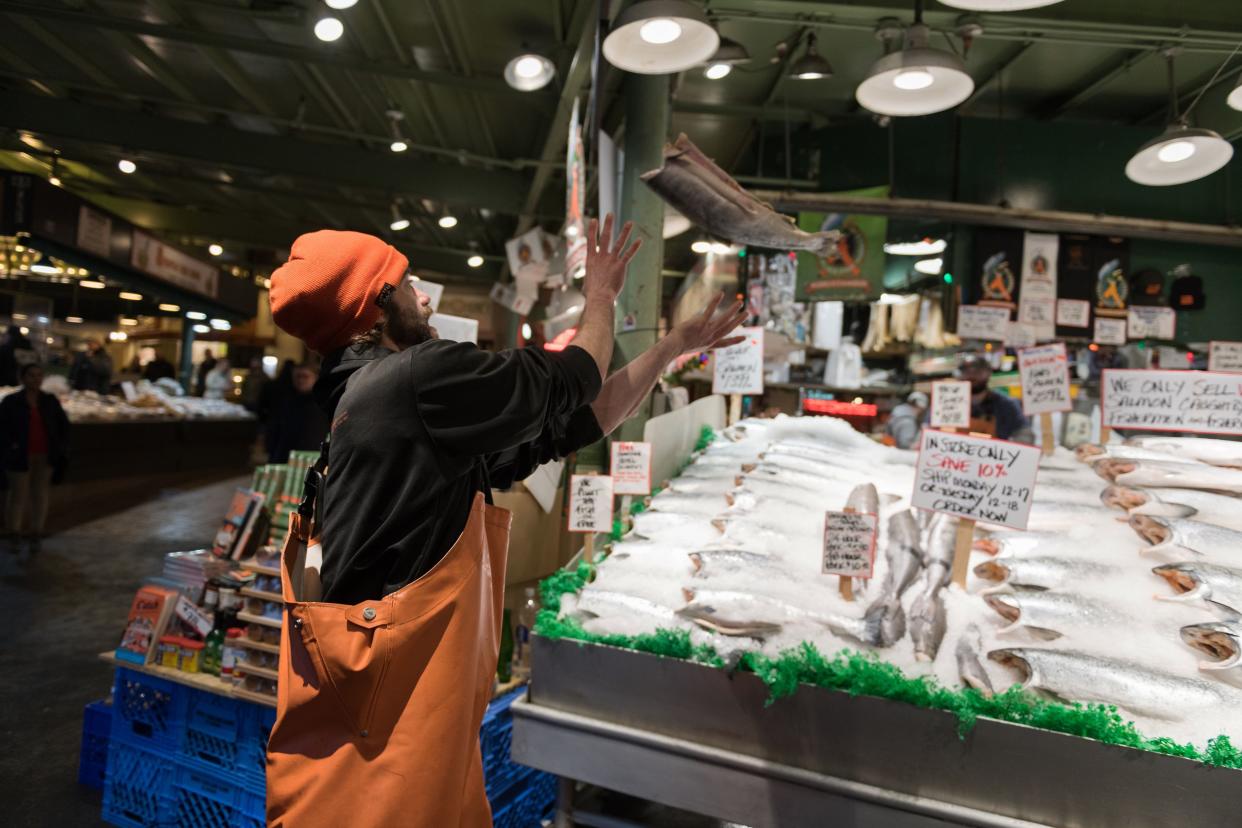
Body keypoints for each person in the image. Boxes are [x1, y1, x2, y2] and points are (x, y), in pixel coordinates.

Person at [263, 217, 746, 827]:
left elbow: (572, 423)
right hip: (393, 731)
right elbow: (573, 377)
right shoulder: (413, 380)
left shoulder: (369, 406)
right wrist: (600, 297)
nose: (425, 298)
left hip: (393, 718)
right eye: (409, 284)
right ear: (375, 306)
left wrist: (672, 346)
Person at [0, 363, 69, 555]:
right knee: (17, 496)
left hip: (45, 454)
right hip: (19, 455)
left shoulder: (49, 401)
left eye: (39, 375)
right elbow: (2, 429)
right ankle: (14, 532)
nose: (36, 379)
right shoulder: (11, 401)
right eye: (31, 375)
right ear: (22, 378)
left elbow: (63, 425)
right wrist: (10, 447)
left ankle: (36, 532)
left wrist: (60, 447)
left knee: (40, 494)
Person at [958, 355, 1033, 443]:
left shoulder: (1007, 405)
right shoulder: (949, 405)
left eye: (977, 372)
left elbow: (1024, 434)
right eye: (967, 372)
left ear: (989, 373)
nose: (972, 376)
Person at [266, 363, 328, 462]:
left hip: (312, 457)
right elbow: (275, 429)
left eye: (305, 376)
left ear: (315, 378)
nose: (301, 380)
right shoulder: (285, 400)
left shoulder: (324, 402)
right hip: (285, 455)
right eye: (298, 376)